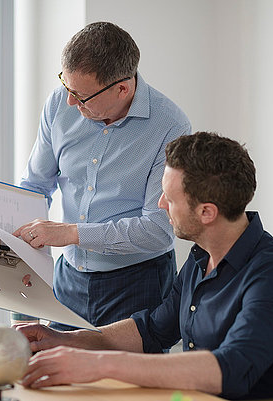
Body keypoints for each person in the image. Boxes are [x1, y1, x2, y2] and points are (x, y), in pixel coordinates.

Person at [17, 132, 273, 400]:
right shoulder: (201, 258)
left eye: (169, 198)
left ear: (207, 212)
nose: (160, 204)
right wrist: (62, 340)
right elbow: (152, 330)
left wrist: (100, 364)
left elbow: (232, 369)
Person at [13, 21, 191, 329]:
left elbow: (158, 230)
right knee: (56, 374)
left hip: (138, 283)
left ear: (123, 88)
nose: (70, 101)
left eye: (81, 96)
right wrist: (16, 250)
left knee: (131, 379)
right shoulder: (59, 103)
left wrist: (71, 233)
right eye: (67, 87)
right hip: (67, 279)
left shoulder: (170, 126)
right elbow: (34, 186)